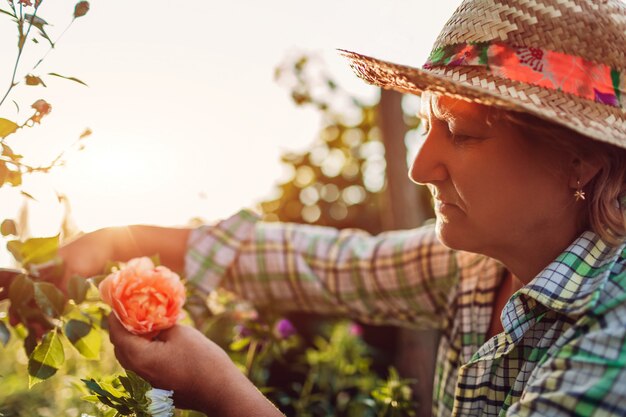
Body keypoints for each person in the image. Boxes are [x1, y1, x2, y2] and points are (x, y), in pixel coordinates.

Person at [57, 0, 626, 416]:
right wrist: (129, 239)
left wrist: (221, 393)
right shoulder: (480, 263)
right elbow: (326, 264)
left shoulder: (613, 345)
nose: (419, 166)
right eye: (426, 124)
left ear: (580, 162)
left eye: (459, 131)